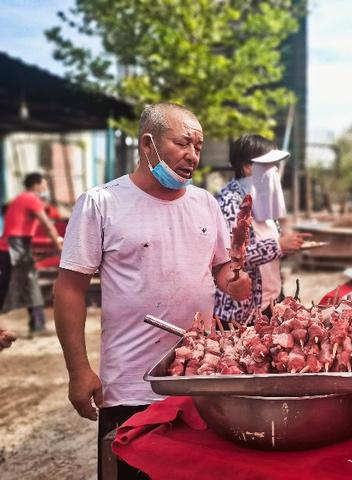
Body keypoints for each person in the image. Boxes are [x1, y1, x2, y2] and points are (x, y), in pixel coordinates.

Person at [54, 103, 252, 479]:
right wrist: (78, 370)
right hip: (131, 386)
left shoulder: (205, 204)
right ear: (149, 145)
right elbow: (69, 290)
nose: (193, 155)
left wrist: (234, 281)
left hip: (200, 379)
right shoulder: (101, 203)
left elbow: (221, 267)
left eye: (198, 146)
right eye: (183, 143)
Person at [215, 134, 307, 324]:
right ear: (248, 167)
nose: (274, 170)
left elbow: (272, 242)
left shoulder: (263, 198)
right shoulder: (229, 203)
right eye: (268, 164)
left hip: (271, 303)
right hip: (241, 315)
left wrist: (288, 245)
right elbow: (227, 258)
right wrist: (278, 246)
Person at [0, 172, 62, 336]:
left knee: (9, 286)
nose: (45, 187)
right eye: (44, 184)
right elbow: (47, 225)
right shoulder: (31, 198)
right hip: (16, 247)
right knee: (30, 284)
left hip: (9, 246)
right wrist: (59, 247)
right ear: (36, 184)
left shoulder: (20, 199)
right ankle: (38, 325)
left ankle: (37, 324)